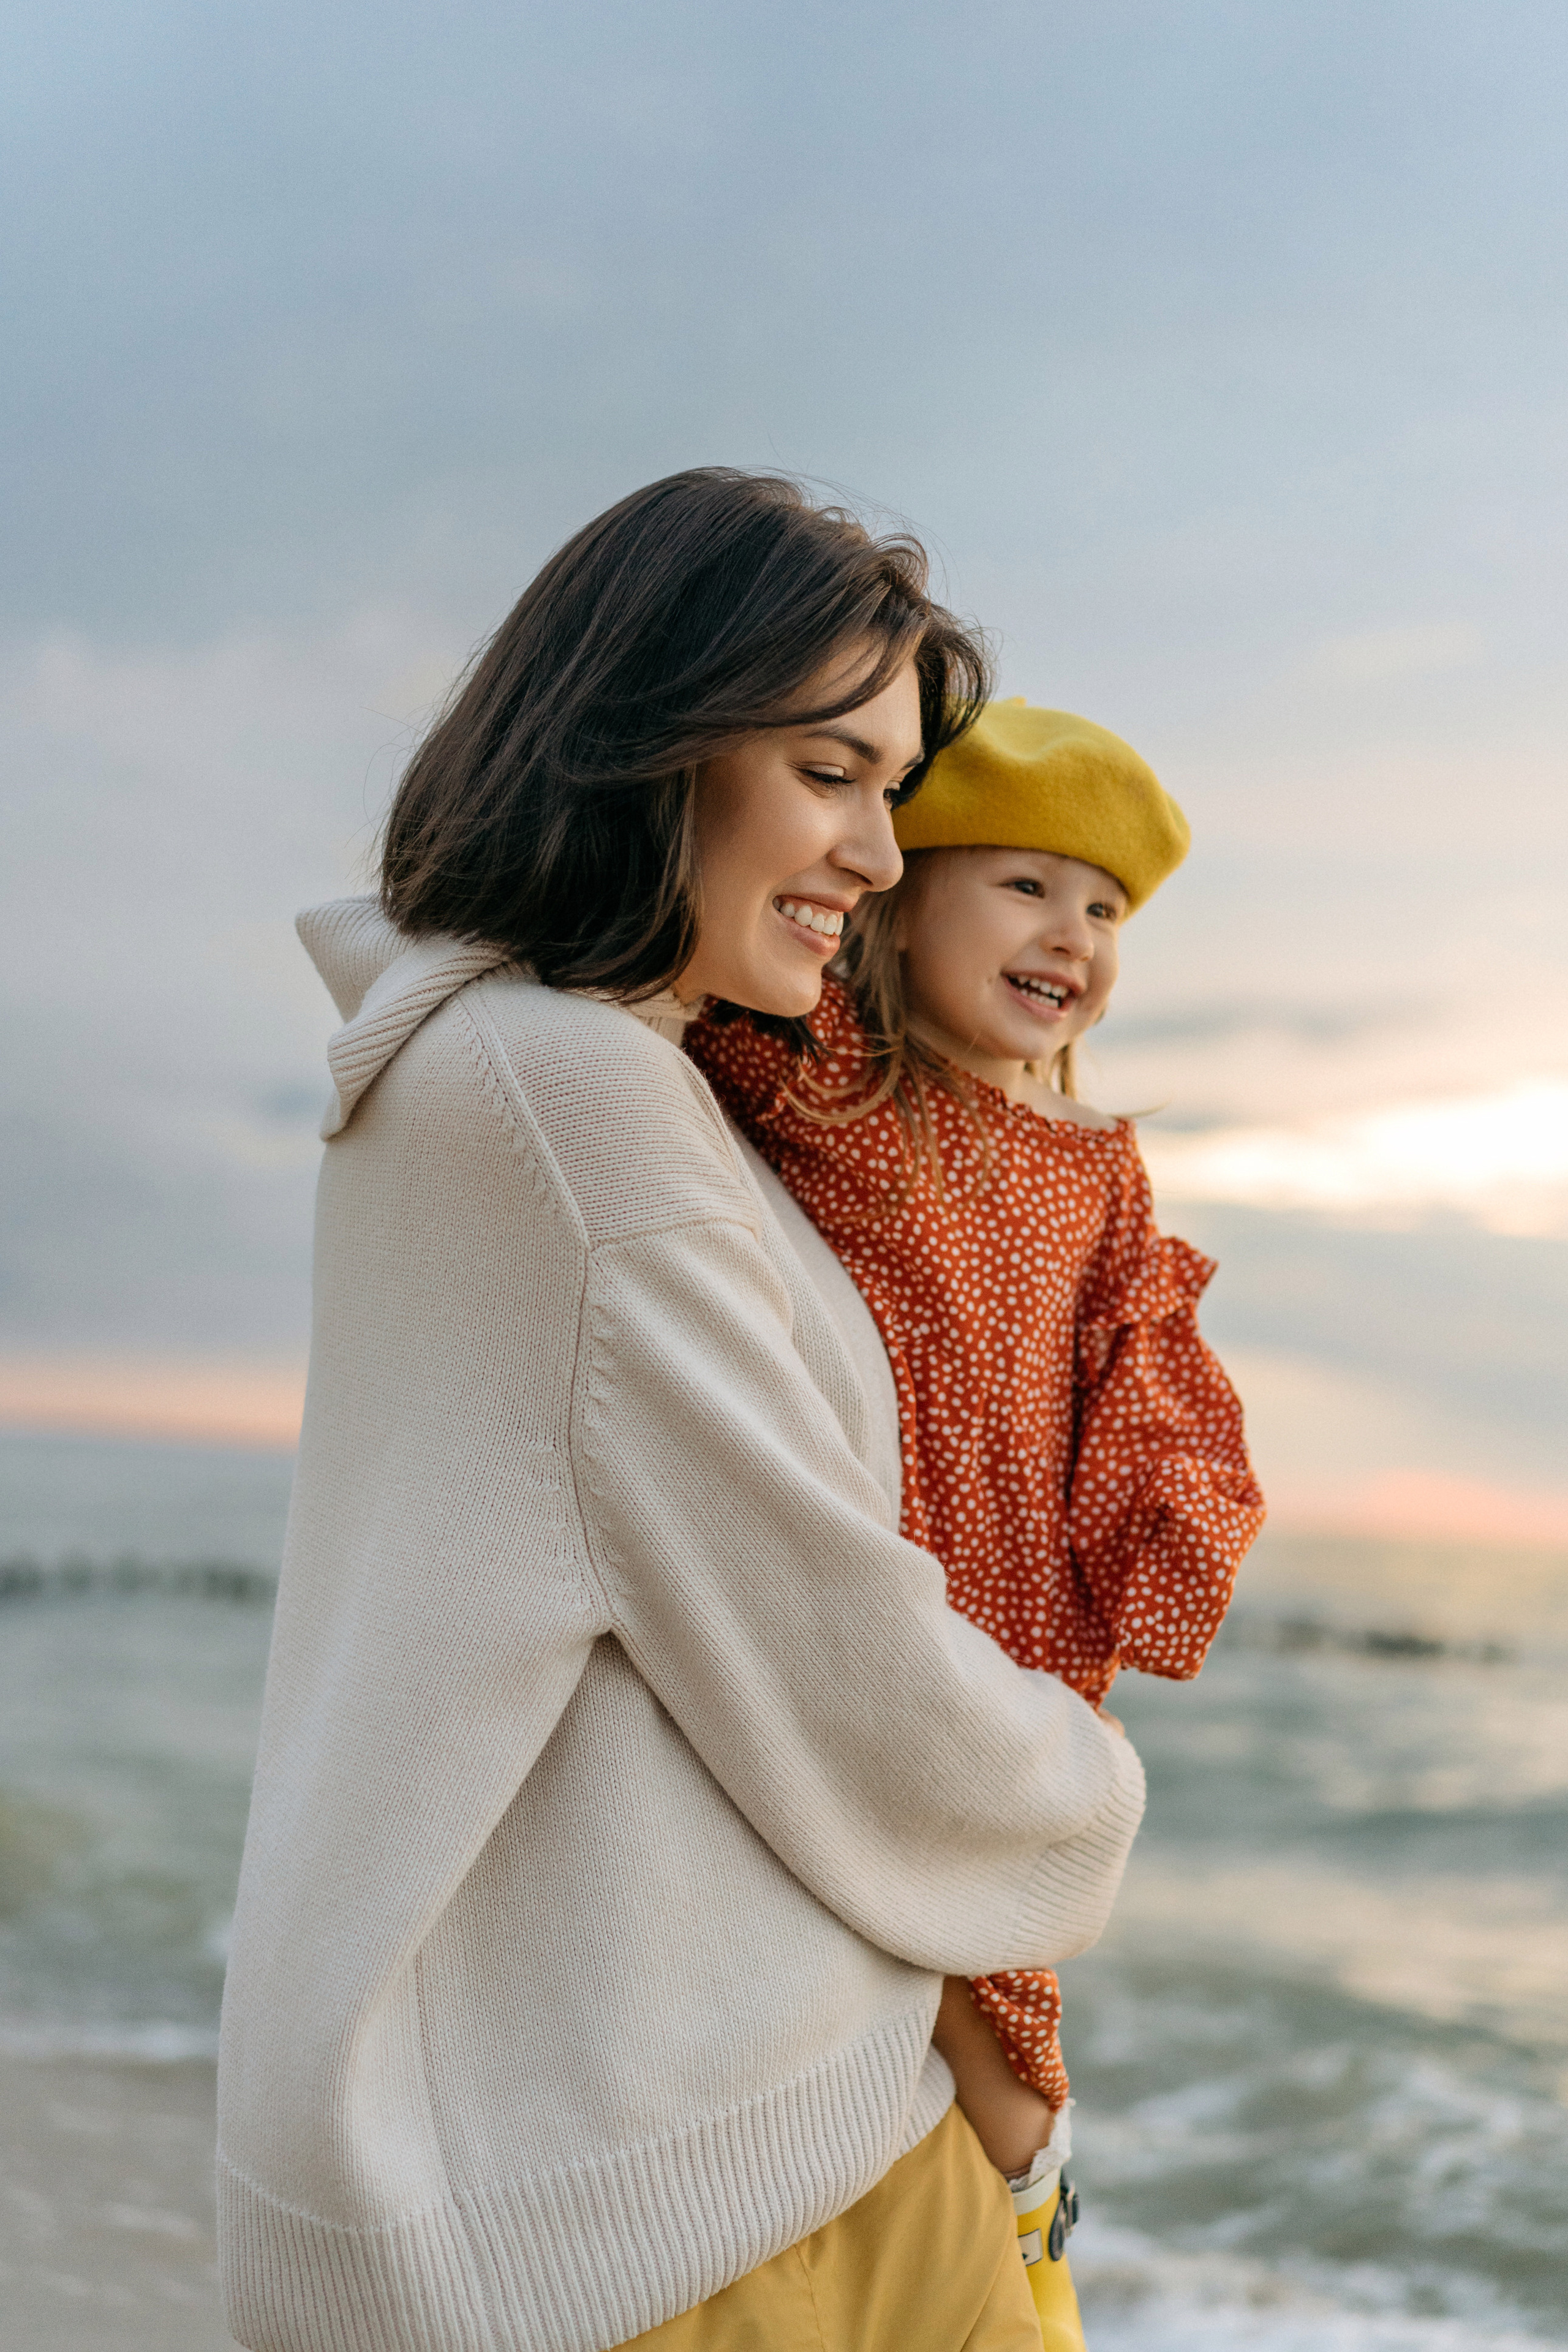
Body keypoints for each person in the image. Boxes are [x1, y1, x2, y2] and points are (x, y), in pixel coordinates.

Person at [216, 478, 1147, 2352]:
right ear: (646, 743)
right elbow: (827, 1649)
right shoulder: (577, 1106)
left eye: (894, 791)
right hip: (696, 2205)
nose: (883, 855)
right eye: (829, 772)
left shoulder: (518, 1066)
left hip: (740, 2145)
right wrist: (1086, 1793)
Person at [686, 698, 1267, 2346]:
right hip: (887, 1589)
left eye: (1102, 910)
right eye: (1023, 886)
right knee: (942, 1962)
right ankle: (1021, 2226)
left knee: (1002, 1953)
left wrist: (1161, 1514)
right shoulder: (848, 1084)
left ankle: (1026, 2217)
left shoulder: (1099, 1163)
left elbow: (1137, 1364)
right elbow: (667, 988)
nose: (1070, 937)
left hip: (1019, 1611)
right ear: (895, 894)